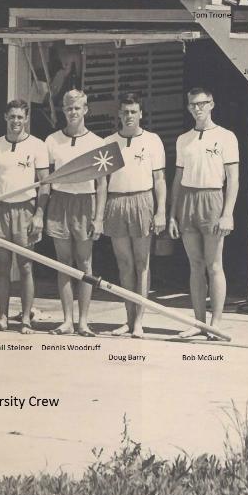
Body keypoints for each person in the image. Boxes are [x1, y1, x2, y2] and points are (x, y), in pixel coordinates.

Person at [170, 87, 239, 336]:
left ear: (211, 104)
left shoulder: (226, 137)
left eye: (201, 104)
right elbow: (177, 178)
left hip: (213, 199)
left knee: (214, 264)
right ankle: (199, 323)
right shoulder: (183, 139)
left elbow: (233, 179)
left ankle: (215, 324)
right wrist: (172, 214)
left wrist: (227, 212)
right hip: (188, 200)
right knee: (195, 265)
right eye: (192, 105)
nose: (197, 109)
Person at [103, 93, 166, 339]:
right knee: (124, 264)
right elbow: (101, 183)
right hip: (116, 201)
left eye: (133, 111)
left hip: (143, 200)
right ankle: (128, 319)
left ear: (140, 113)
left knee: (142, 262)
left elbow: (160, 179)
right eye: (125, 112)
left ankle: (139, 321)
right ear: (119, 114)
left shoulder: (152, 140)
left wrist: (160, 211)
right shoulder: (108, 142)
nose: (129, 116)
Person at [44, 89, 107, 336]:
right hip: (60, 202)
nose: (73, 112)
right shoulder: (51, 140)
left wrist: (99, 218)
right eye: (69, 108)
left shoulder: (97, 142)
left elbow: (102, 184)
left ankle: (83, 322)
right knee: (64, 264)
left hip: (85, 203)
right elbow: (46, 180)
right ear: (63, 110)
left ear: (85, 110)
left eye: (77, 108)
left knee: (84, 263)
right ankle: (67, 320)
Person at [0, 100, 49, 333]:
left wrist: (39, 215)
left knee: (26, 267)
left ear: (26, 119)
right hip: (1, 210)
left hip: (26, 209)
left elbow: (44, 185)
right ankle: (2, 318)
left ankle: (25, 320)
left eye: (20, 117)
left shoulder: (38, 146)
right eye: (12, 117)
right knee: (2, 266)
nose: (15, 122)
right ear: (5, 117)